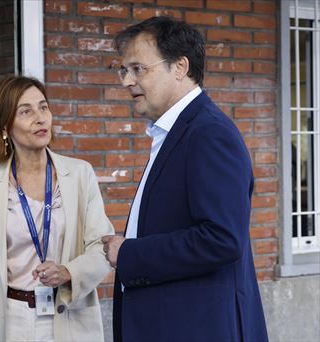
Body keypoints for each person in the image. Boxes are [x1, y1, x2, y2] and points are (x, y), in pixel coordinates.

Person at [101, 16, 268, 342]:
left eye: (138, 69)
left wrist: (129, 254)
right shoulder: (178, 131)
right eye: (123, 70)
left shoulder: (208, 133)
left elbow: (221, 239)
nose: (126, 81)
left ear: (180, 67)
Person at [0, 76, 113, 341]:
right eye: (26, 111)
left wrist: (68, 272)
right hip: (10, 322)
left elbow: (101, 247)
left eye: (43, 107)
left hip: (70, 314)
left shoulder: (80, 174)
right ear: (5, 126)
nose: (40, 118)